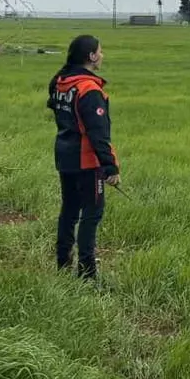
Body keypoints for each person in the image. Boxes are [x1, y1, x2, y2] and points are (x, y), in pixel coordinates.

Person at [47, 34, 120, 280]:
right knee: (92, 213)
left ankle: (62, 262)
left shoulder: (60, 81)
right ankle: (87, 275)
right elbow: (98, 133)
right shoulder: (89, 89)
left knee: (69, 209)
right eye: (100, 51)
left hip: (64, 156)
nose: (102, 55)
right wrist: (110, 167)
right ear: (90, 56)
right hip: (87, 161)